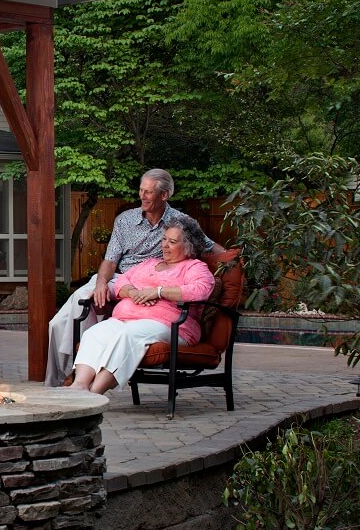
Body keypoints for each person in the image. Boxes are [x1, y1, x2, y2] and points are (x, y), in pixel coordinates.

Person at [46, 169, 229, 385]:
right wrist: (103, 283)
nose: (142, 196)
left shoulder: (181, 223)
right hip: (120, 278)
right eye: (141, 190)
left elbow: (207, 246)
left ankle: (79, 377)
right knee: (60, 321)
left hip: (154, 283)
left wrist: (233, 259)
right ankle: (56, 380)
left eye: (148, 192)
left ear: (164, 195)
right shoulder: (125, 220)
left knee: (113, 328)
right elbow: (110, 260)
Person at [68, 216, 215, 395]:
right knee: (94, 333)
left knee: (129, 334)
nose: (165, 245)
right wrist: (132, 292)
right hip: (125, 320)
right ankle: (79, 386)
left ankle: (94, 393)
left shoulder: (194, 267)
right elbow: (122, 281)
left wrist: (158, 292)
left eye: (172, 242)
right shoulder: (149, 264)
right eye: (164, 239)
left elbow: (200, 290)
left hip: (170, 325)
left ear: (188, 246)